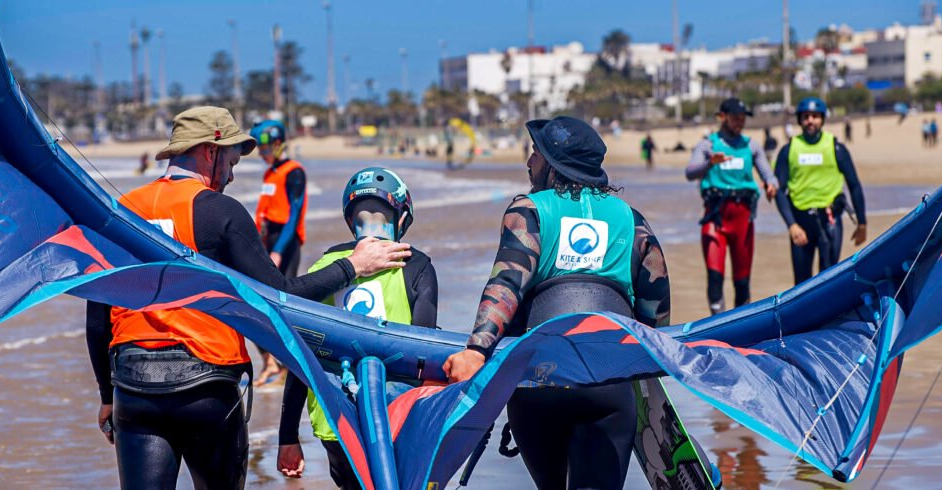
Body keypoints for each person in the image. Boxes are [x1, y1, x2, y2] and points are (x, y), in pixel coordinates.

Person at [84, 106, 411, 489]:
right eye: (232, 161)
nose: (233, 174)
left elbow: (97, 316)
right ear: (211, 151)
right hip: (206, 387)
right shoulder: (221, 211)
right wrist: (353, 266)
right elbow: (280, 296)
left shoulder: (122, 211)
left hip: (134, 390)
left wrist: (108, 396)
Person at [443, 116, 671, 489]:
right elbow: (655, 305)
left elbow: (508, 282)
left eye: (535, 154)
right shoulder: (633, 221)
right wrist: (649, 364)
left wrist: (476, 349)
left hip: (539, 380)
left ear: (552, 165)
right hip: (608, 380)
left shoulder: (529, 210)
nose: (529, 162)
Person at [277, 167, 439, 489]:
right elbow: (425, 349)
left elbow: (301, 353)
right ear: (402, 217)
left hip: (335, 421)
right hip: (396, 416)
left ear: (351, 220)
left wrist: (288, 436)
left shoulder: (325, 268)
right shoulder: (416, 264)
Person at [685, 98, 778, 315]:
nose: (739, 122)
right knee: (715, 275)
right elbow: (690, 172)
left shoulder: (751, 146)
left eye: (742, 118)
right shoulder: (708, 145)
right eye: (735, 117)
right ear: (722, 117)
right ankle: (717, 321)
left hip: (743, 220)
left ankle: (740, 322)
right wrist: (710, 163)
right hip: (715, 218)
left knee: (742, 279)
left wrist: (772, 186)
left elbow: (769, 175)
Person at [774, 97, 867, 285]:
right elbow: (779, 190)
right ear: (800, 119)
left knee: (828, 280)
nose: (810, 121)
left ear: (822, 119)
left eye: (815, 116)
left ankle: (827, 315)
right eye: (806, 116)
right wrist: (791, 225)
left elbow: (854, 185)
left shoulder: (836, 148)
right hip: (800, 222)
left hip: (829, 221)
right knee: (801, 284)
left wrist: (862, 223)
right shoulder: (788, 150)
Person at [250, 119, 308, 385]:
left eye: (265, 149)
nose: (262, 155)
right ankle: (271, 361)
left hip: (285, 243)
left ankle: (289, 363)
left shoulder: (294, 172)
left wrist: (279, 252)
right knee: (253, 299)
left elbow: (294, 215)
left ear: (278, 144)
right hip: (266, 241)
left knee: (281, 303)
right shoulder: (269, 173)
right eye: (259, 151)